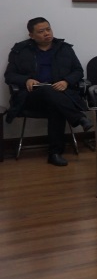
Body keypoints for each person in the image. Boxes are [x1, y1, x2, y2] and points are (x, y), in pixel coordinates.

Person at [4, 17, 92, 167]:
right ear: (31, 35)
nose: (46, 33)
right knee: (46, 89)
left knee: (55, 106)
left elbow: (78, 71)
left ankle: (54, 153)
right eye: (41, 31)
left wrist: (66, 81)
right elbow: (9, 75)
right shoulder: (20, 50)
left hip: (60, 95)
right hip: (32, 97)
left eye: (48, 29)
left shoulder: (64, 48)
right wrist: (26, 80)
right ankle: (78, 118)